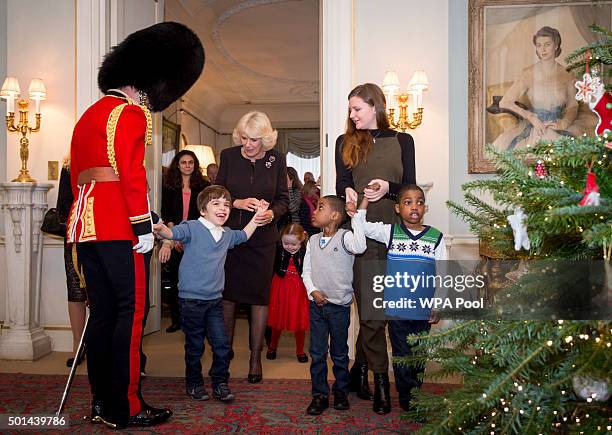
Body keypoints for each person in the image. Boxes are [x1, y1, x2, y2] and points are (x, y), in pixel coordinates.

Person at [66, 22, 204, 429]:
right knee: (131, 316)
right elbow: (129, 176)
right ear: (143, 82)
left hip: (85, 229)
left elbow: (80, 178)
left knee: (103, 316)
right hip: (121, 230)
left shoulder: (88, 115)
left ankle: (100, 402)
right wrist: (144, 228)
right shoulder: (128, 113)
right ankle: (126, 406)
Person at [335, 83, 416, 414]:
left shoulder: (403, 140)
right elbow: (342, 182)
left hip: (397, 235)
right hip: (362, 235)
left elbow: (410, 186)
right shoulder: (346, 142)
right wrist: (348, 194)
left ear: (376, 107)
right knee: (371, 312)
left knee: (388, 311)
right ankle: (381, 384)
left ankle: (359, 371)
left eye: (357, 109)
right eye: (350, 110)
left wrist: (390, 188)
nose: (352, 115)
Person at [154, 185, 264, 403]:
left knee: (222, 346)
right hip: (190, 301)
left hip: (214, 301)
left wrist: (258, 217)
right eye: (216, 204)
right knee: (194, 346)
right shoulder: (192, 227)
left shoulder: (227, 234)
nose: (223, 208)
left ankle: (220, 383)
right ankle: (194, 384)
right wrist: (160, 229)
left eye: (226, 205)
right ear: (203, 210)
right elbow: (173, 233)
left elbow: (243, 235)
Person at [353, 184, 445, 412]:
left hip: (423, 310)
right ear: (397, 208)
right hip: (397, 310)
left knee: (418, 357)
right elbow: (360, 225)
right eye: (408, 202)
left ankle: (415, 393)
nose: (415, 207)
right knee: (402, 355)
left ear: (425, 207)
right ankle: (407, 399)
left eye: (420, 202)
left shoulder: (436, 237)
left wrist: (438, 303)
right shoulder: (390, 232)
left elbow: (443, 273)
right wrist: (364, 201)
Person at [216, 111, 289, 383]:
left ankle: (255, 359)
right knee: (228, 298)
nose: (248, 145)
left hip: (262, 240)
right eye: (244, 138)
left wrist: (272, 214)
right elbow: (216, 193)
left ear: (266, 139)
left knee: (259, 299)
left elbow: (283, 199)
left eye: (255, 140)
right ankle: (222, 355)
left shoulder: (277, 160)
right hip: (232, 236)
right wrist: (235, 203)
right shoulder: (228, 156)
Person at [302, 195, 366, 415]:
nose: (314, 210)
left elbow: (360, 245)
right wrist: (313, 290)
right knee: (317, 353)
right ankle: (319, 394)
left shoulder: (346, 237)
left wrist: (356, 215)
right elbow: (306, 271)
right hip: (317, 306)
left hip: (339, 307)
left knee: (339, 353)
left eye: (320, 207)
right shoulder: (311, 241)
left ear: (335, 216)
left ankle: (341, 391)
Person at [494, 26, 585, 149]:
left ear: (556, 45)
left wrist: (563, 123)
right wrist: (530, 116)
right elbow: (504, 102)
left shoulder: (567, 74)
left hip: (559, 125)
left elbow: (572, 106)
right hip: (534, 126)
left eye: (547, 44)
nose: (543, 49)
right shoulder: (527, 73)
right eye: (539, 45)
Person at [161, 150, 210, 332]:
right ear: (178, 164)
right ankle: (177, 319)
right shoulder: (168, 186)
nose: (187, 166)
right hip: (173, 237)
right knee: (175, 281)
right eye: (184, 162)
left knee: (195, 281)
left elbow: (206, 214)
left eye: (191, 162)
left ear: (195, 165)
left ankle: (196, 319)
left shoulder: (204, 186)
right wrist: (175, 235)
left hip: (196, 238)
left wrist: (188, 235)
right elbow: (166, 212)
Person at [56, 158, 87, 368]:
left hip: (106, 236)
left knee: (102, 293)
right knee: (75, 291)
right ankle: (78, 347)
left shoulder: (112, 160)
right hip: (75, 236)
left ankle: (101, 345)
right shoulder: (68, 167)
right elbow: (63, 204)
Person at [266, 224, 309, 363]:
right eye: (286, 243)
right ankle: (272, 347)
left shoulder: (306, 251)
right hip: (280, 286)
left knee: (299, 318)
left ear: (301, 240)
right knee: (278, 317)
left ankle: (300, 350)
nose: (289, 247)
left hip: (299, 287)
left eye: (293, 244)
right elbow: (273, 266)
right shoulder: (278, 249)